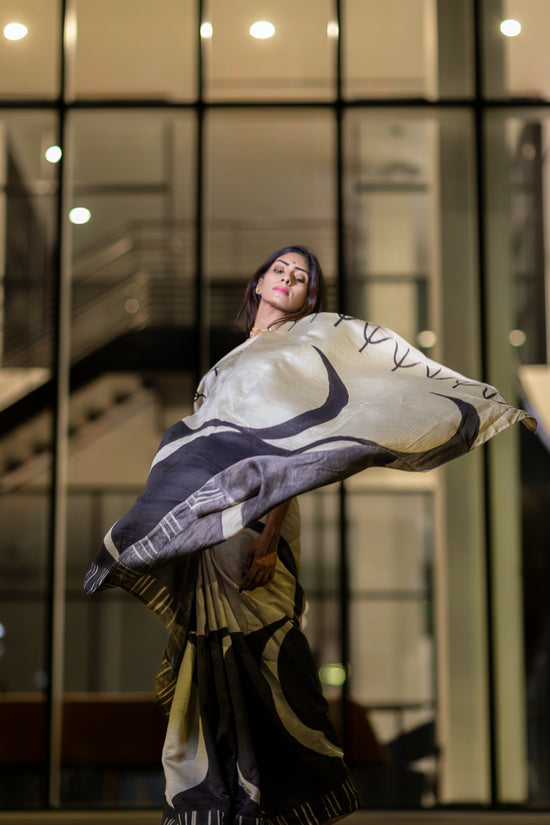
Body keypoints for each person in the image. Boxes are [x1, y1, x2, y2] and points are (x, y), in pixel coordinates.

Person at [84, 245, 536, 825]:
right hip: (215, 520)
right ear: (258, 283)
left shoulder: (301, 349)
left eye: (300, 277)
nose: (288, 279)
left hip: (260, 520)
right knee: (213, 653)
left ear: (307, 298)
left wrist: (271, 537)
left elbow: (293, 453)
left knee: (271, 650)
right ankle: (223, 800)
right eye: (280, 270)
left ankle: (299, 795)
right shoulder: (228, 362)